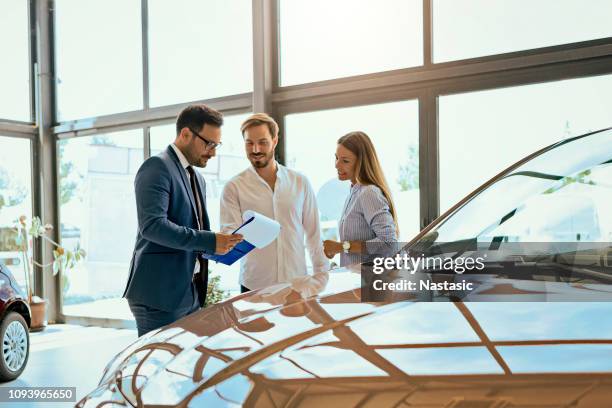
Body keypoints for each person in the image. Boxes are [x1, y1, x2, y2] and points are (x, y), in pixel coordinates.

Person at [123, 104, 243, 337]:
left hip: (190, 291)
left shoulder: (197, 178)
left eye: (216, 145)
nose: (213, 152)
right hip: (159, 295)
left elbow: (192, 232)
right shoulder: (156, 167)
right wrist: (209, 241)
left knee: (182, 368)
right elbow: (153, 226)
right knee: (159, 367)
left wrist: (221, 246)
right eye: (209, 144)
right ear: (185, 134)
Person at [220, 113, 329, 293]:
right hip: (254, 287)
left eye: (262, 142)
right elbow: (228, 235)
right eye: (249, 143)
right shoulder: (233, 187)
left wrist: (321, 277)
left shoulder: (300, 182)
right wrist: (239, 234)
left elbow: (314, 236)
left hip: (297, 284)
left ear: (275, 141)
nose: (255, 149)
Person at [323, 131, 398, 266]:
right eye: (336, 158)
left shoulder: (369, 193)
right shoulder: (353, 192)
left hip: (370, 282)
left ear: (361, 163)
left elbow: (389, 243)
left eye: (345, 161)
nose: (337, 165)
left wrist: (341, 247)